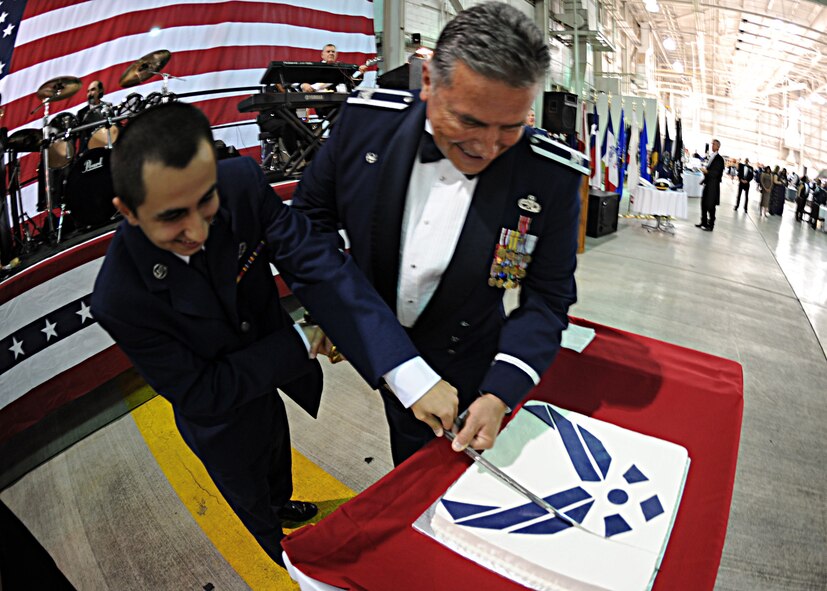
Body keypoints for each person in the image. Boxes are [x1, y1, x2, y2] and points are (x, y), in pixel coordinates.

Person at [90, 102, 458, 565]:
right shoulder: (120, 298)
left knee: (276, 456)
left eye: (207, 201)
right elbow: (204, 391)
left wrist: (406, 372)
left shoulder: (241, 183)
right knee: (250, 494)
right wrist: (305, 339)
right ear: (127, 210)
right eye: (171, 217)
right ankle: (280, 550)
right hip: (220, 414)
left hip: (268, 377)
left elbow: (318, 265)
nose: (197, 230)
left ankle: (282, 503)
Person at [292, 2, 581, 465]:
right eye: (469, 121)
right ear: (427, 81)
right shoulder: (365, 125)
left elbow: (547, 297)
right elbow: (310, 225)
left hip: (468, 363)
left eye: (510, 127)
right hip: (373, 334)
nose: (487, 147)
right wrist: (342, 313)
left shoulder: (548, 177)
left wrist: (501, 391)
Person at [696, 138, 724, 231]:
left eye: (714, 144)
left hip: (713, 186)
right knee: (703, 203)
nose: (712, 146)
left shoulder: (719, 159)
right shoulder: (711, 156)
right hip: (707, 184)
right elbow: (709, 169)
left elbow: (716, 173)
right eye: (712, 144)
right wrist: (705, 174)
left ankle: (711, 225)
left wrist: (707, 171)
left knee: (711, 205)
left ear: (718, 147)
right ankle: (703, 222)